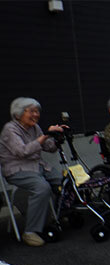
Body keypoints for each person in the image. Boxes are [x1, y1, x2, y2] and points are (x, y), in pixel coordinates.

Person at [0, 97, 64, 246]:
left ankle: (62, 214)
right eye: (32, 111)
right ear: (18, 114)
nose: (36, 115)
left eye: (37, 111)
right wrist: (45, 135)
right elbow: (22, 151)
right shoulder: (10, 129)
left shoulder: (35, 128)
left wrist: (57, 139)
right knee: (42, 188)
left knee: (64, 181)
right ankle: (30, 232)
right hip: (17, 169)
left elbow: (49, 147)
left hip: (37, 166)